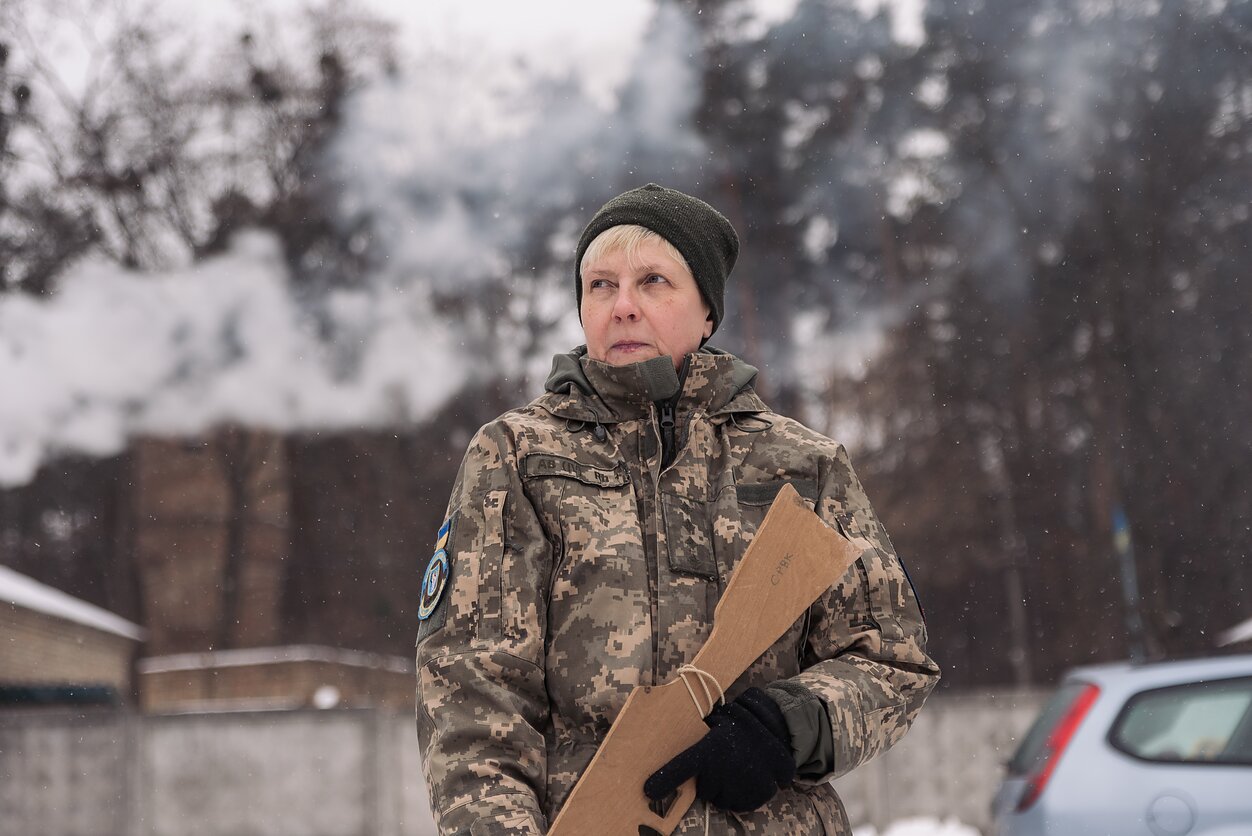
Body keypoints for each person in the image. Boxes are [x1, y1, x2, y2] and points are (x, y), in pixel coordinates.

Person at [415, 183, 939, 835]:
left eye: (653, 281)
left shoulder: (803, 465)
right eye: (600, 285)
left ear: (708, 312)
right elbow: (472, 697)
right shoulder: (518, 457)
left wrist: (789, 724)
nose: (624, 306)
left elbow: (892, 657)